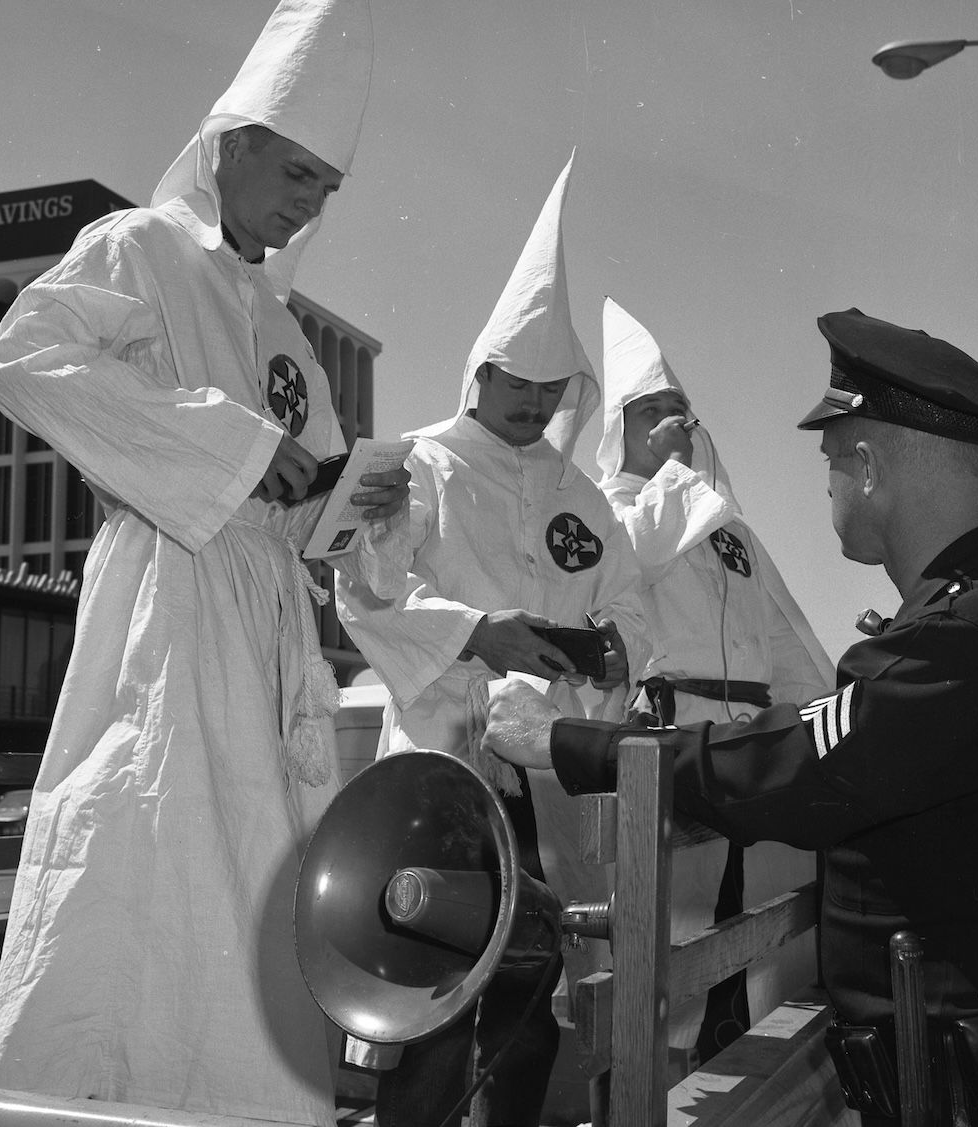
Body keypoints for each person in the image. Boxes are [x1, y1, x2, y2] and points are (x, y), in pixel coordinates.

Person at [484, 308, 978, 1126]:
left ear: (870, 466)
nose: (828, 485)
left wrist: (564, 740)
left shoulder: (958, 645)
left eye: (834, 463)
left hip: (973, 1097)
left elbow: (780, 764)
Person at [0, 3, 409, 1124]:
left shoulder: (283, 328)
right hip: (167, 604)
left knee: (256, 882)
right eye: (298, 171)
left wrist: (354, 500)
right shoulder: (140, 247)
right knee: (158, 857)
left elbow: (304, 505)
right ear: (232, 143)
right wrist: (227, 441)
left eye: (326, 187)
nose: (310, 200)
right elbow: (23, 359)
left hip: (264, 625)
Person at [336, 153, 647, 1127]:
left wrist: (602, 652)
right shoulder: (416, 464)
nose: (534, 402)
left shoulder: (586, 499)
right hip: (438, 773)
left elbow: (633, 612)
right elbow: (366, 587)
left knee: (531, 991)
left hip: (542, 781)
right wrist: (481, 632)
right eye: (518, 380)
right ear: (482, 364)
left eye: (555, 387)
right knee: (427, 978)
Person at [596, 296, 835, 1060]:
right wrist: (671, 475)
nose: (675, 423)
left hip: (754, 742)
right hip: (679, 737)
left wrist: (829, 708)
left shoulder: (728, 531)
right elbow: (629, 564)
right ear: (621, 428)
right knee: (676, 944)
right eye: (654, 411)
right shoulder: (609, 510)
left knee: (757, 937)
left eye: (682, 411)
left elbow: (783, 630)